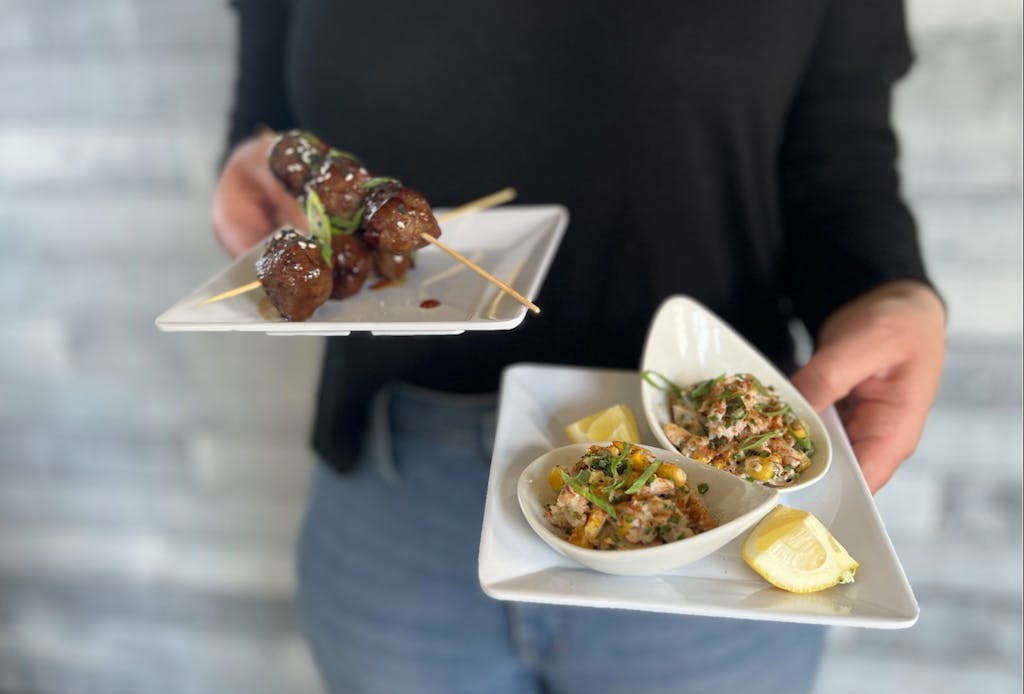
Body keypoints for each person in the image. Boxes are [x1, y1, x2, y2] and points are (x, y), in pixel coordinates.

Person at [212, 2, 946, 692]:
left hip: (713, 514)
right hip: (397, 499)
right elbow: (272, 126)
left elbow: (839, 159)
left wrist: (888, 287)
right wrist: (256, 171)